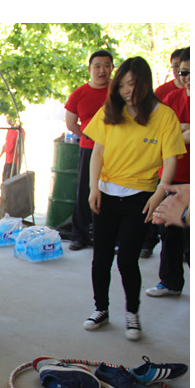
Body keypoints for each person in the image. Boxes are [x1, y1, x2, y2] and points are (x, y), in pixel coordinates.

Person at [82, 56, 186, 341]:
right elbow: (98, 152)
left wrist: (159, 194)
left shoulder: (164, 116)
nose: (127, 91)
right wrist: (93, 187)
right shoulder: (110, 110)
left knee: (127, 260)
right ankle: (100, 309)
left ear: (145, 84)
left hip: (140, 196)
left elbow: (170, 159)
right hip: (106, 193)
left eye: (132, 84)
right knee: (100, 258)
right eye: (122, 86)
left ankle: (132, 313)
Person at [147, 48, 190, 298]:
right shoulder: (171, 98)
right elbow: (161, 135)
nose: (188, 77)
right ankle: (170, 282)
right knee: (169, 231)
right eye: (184, 72)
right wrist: (185, 131)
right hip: (171, 176)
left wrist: (180, 131)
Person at [64, 49, 114, 251]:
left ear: (112, 68)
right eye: (97, 66)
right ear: (89, 69)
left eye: (107, 66)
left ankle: (110, 237)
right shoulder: (79, 93)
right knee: (84, 191)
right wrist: (88, 134)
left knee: (112, 193)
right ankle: (79, 236)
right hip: (89, 148)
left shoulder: (118, 91)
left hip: (116, 151)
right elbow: (71, 123)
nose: (102, 70)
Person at [0, 115, 25, 182]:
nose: (7, 120)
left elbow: (20, 146)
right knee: (5, 180)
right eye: (7, 118)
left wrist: (20, 159)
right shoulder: (10, 130)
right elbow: (6, 144)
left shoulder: (19, 131)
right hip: (7, 160)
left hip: (14, 161)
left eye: (9, 117)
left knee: (11, 181)